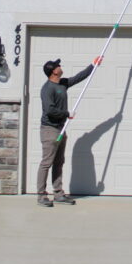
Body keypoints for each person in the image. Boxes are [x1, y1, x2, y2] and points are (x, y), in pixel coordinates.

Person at [38, 56, 101, 207]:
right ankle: (41, 196)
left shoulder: (62, 83)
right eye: (58, 66)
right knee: (47, 163)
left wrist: (93, 65)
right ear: (53, 71)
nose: (60, 67)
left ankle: (58, 193)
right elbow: (49, 110)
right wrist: (67, 114)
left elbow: (79, 77)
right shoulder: (47, 89)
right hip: (49, 130)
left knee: (59, 162)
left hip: (61, 129)